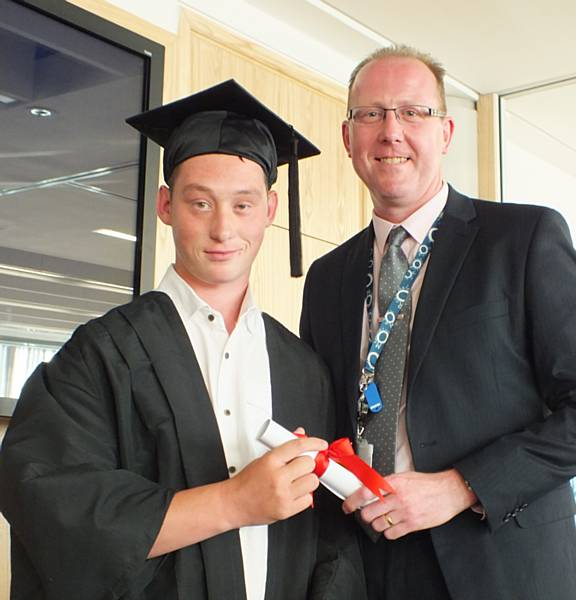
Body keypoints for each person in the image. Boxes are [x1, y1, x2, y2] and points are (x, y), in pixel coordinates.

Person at [0, 80, 365, 600]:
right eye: (200, 203)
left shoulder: (303, 368)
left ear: (270, 210)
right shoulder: (101, 353)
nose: (222, 229)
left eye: (243, 205)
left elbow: (331, 544)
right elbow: (52, 503)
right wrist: (235, 502)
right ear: (166, 206)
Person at [300, 45, 576, 600]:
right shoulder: (327, 276)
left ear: (447, 133)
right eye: (371, 114)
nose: (391, 131)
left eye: (413, 112)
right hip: (365, 567)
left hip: (501, 562)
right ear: (348, 137)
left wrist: (460, 488)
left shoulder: (524, 240)